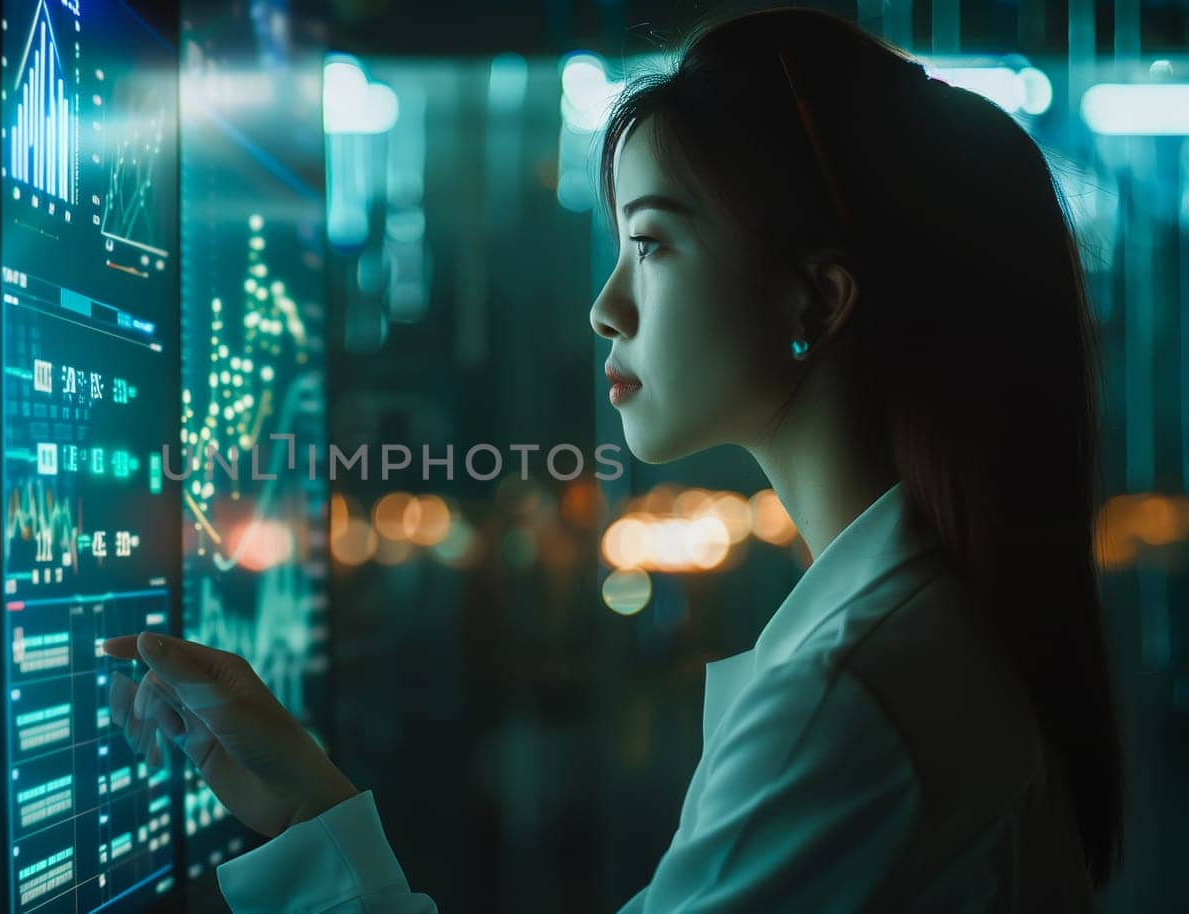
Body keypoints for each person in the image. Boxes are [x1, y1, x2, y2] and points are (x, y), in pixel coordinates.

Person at [105, 6, 1123, 911]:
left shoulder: (849, 700)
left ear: (816, 299)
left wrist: (315, 833)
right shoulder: (916, 636)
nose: (606, 308)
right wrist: (312, 813)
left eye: (651, 244)